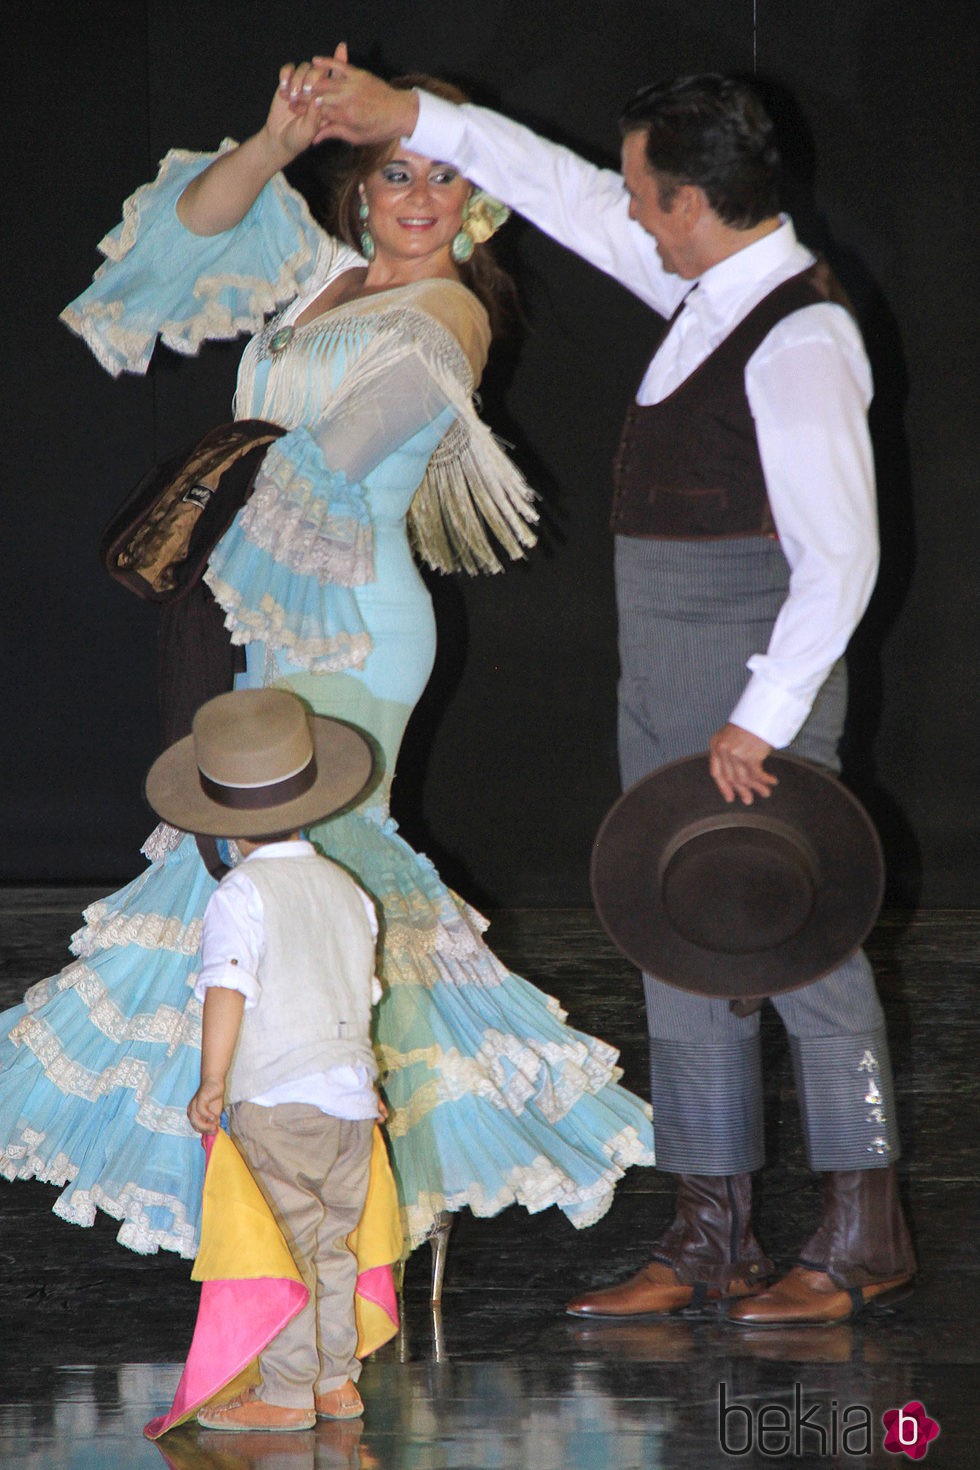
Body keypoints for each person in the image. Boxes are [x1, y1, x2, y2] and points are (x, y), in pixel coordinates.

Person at [0, 64, 654, 1273]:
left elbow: (332, 466)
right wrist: (276, 134)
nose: (417, 195)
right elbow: (189, 234)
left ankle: (377, 1197)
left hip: (347, 627)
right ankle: (307, 1192)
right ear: (358, 195)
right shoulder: (322, 279)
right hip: (261, 615)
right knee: (260, 898)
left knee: (328, 896)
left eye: (443, 174)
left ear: (477, 203)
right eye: (395, 171)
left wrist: (215, 570)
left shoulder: (446, 315)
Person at [311, 56, 916, 1326]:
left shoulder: (796, 335)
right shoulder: (704, 277)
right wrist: (407, 118)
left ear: (693, 203)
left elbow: (840, 556)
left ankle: (864, 1228)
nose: (627, 212)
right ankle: (711, 1231)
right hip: (671, 669)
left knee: (799, 940)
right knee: (673, 930)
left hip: (753, 685)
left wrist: (757, 717)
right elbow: (566, 191)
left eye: (646, 195)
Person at [150, 687, 379, 1431]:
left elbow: (228, 989)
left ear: (225, 828)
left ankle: (284, 1393)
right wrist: (366, 1081)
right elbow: (360, 992)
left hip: (276, 1099)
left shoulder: (242, 892)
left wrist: (213, 1080)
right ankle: (335, 1382)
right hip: (349, 1098)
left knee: (281, 1247)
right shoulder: (348, 890)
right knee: (332, 1246)